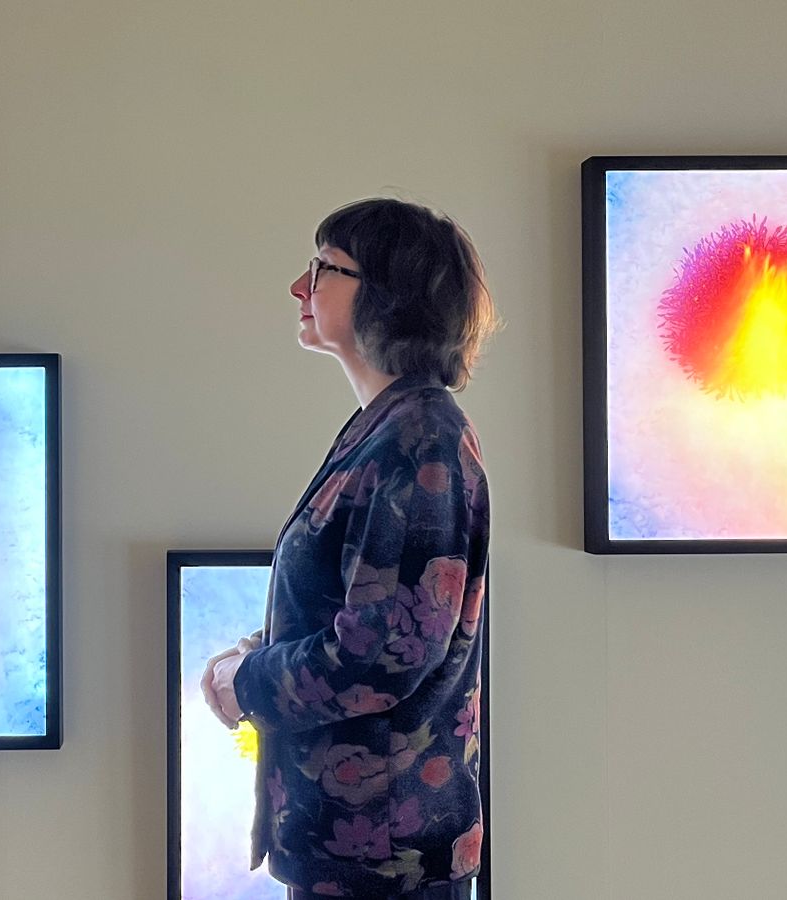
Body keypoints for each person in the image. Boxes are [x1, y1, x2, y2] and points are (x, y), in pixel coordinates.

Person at [201, 197, 496, 899]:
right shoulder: (386, 429)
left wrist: (246, 683)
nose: (300, 288)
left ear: (389, 298)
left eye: (324, 269)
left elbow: (383, 654)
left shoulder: (420, 442)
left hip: (384, 870)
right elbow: (351, 606)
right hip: (350, 858)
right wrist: (248, 652)